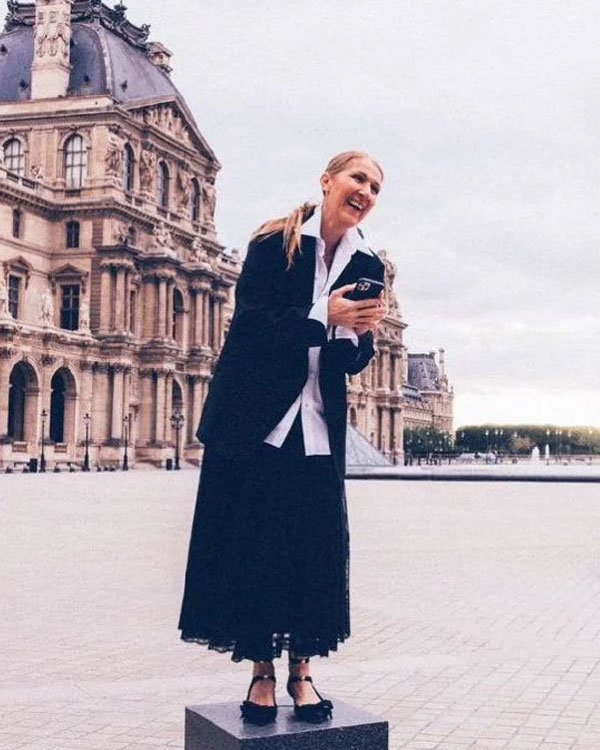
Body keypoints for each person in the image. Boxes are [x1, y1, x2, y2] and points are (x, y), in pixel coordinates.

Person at [178, 150, 386, 725]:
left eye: (374, 185)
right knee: (258, 551)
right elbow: (250, 326)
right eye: (357, 178)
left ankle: (304, 673)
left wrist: (356, 336)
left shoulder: (368, 261)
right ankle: (262, 675)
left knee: (311, 555)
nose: (365, 190)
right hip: (257, 424)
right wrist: (326, 316)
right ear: (327, 181)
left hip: (318, 426)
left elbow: (352, 357)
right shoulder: (275, 246)